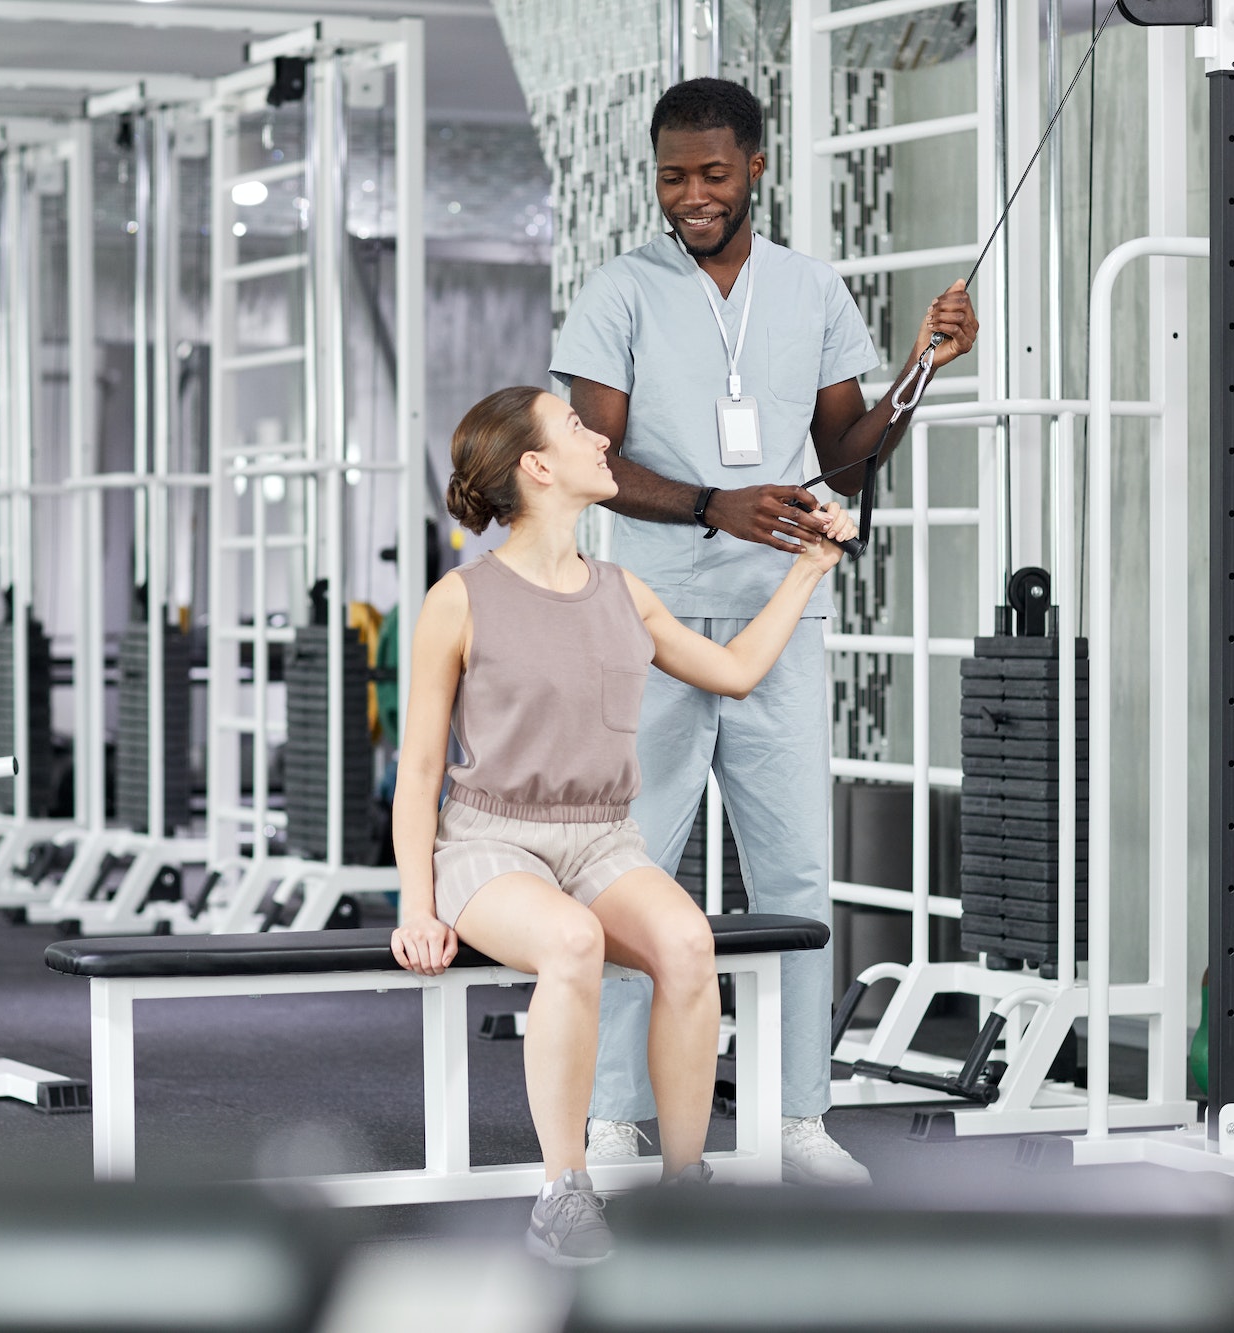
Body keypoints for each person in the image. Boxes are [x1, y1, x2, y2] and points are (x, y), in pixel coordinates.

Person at [548, 76, 979, 1184]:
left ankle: (795, 1116)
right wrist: (708, 504)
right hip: (646, 623)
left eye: (710, 173)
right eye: (671, 175)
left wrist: (923, 368)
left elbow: (844, 455)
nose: (689, 194)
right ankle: (613, 1117)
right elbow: (591, 464)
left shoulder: (808, 289)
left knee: (792, 872)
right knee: (634, 869)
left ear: (755, 168)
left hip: (782, 619)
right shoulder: (617, 292)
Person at [389, 386, 855, 1265]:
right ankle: (563, 1190)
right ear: (536, 467)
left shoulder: (621, 590)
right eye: (574, 427)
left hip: (603, 837)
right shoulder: (459, 598)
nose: (600, 436)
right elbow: (418, 770)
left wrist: (806, 571)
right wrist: (419, 903)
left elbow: (736, 671)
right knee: (571, 942)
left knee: (686, 943)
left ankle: (687, 1186)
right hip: (492, 840)